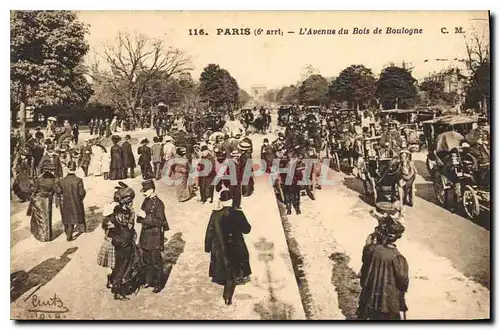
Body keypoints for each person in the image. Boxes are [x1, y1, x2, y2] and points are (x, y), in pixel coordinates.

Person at [204, 190, 252, 305]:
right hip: (235, 247)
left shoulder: (215, 214)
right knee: (232, 271)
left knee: (224, 268)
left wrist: (207, 247)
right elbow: (247, 230)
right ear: (231, 201)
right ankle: (227, 296)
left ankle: (226, 289)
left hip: (219, 248)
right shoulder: (238, 214)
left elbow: (210, 231)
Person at [357, 216, 409, 320]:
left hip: (370, 298)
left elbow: (365, 262)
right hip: (388, 303)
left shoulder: (372, 249)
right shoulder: (397, 257)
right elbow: (403, 281)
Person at [102, 182, 140, 301]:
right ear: (125, 202)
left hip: (127, 243)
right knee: (121, 267)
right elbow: (109, 228)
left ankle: (117, 286)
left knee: (125, 266)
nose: (132, 204)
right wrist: (120, 240)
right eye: (130, 202)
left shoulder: (128, 212)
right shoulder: (115, 214)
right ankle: (118, 291)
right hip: (121, 244)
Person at [137, 179, 169, 293]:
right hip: (145, 235)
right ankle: (148, 280)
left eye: (145, 191)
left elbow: (159, 222)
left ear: (151, 190)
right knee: (146, 260)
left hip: (155, 236)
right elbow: (139, 219)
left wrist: (145, 217)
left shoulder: (159, 204)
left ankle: (158, 283)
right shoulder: (145, 201)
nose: (143, 193)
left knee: (155, 262)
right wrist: (140, 216)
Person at [55, 161, 86, 241]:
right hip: (76, 202)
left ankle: (68, 232)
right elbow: (81, 193)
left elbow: (58, 191)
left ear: (67, 169)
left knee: (67, 217)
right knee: (74, 217)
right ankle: (70, 234)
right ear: (75, 169)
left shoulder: (62, 181)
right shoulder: (78, 180)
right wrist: (81, 198)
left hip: (65, 203)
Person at [29, 165, 59, 242]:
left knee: (40, 218)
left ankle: (41, 236)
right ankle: (47, 236)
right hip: (47, 200)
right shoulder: (54, 179)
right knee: (47, 217)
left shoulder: (39, 179)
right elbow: (57, 190)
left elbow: (33, 189)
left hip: (38, 200)